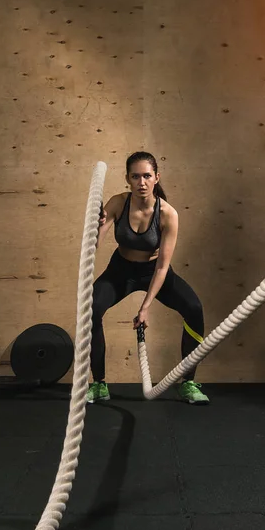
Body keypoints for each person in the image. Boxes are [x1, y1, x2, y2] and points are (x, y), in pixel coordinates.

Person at [87, 151, 210, 405]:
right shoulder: (118, 203)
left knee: (194, 309)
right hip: (120, 271)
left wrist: (145, 308)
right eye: (135, 176)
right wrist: (94, 226)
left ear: (156, 178)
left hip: (154, 271)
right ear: (127, 179)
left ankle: (188, 383)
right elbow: (94, 244)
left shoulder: (167, 214)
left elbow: (163, 267)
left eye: (146, 176)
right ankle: (99, 384)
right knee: (92, 309)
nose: (141, 182)